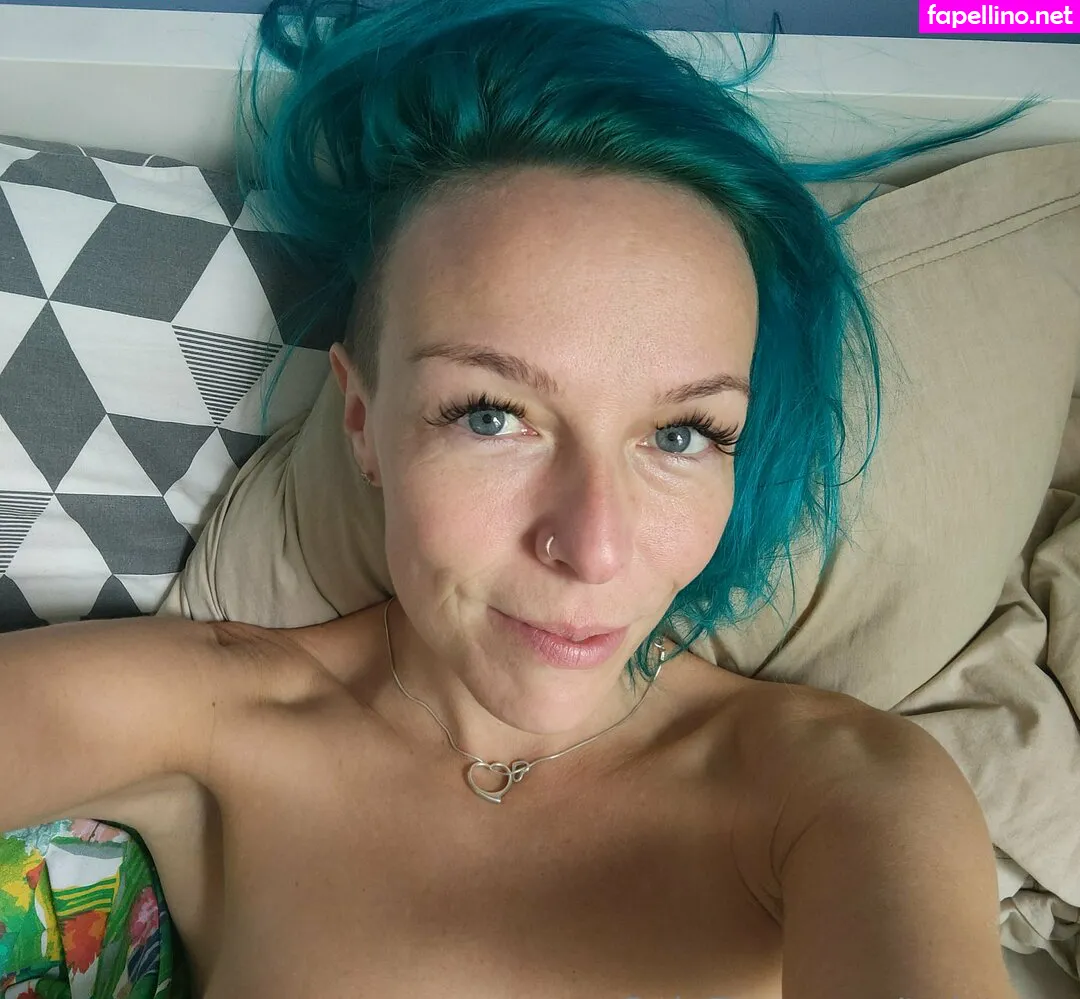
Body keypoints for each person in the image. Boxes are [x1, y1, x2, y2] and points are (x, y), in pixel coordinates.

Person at [2, 0, 1041, 996]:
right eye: (492, 416)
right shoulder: (214, 717)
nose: (594, 548)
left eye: (683, 434)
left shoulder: (839, 799)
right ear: (361, 421)